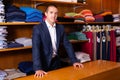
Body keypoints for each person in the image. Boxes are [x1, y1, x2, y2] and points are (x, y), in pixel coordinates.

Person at [32, 4, 83, 78]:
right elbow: (35, 48)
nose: (54, 15)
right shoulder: (38, 28)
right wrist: (38, 68)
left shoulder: (60, 28)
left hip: (56, 62)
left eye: (56, 13)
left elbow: (67, 44)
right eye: (51, 12)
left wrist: (74, 61)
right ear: (46, 14)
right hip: (43, 63)